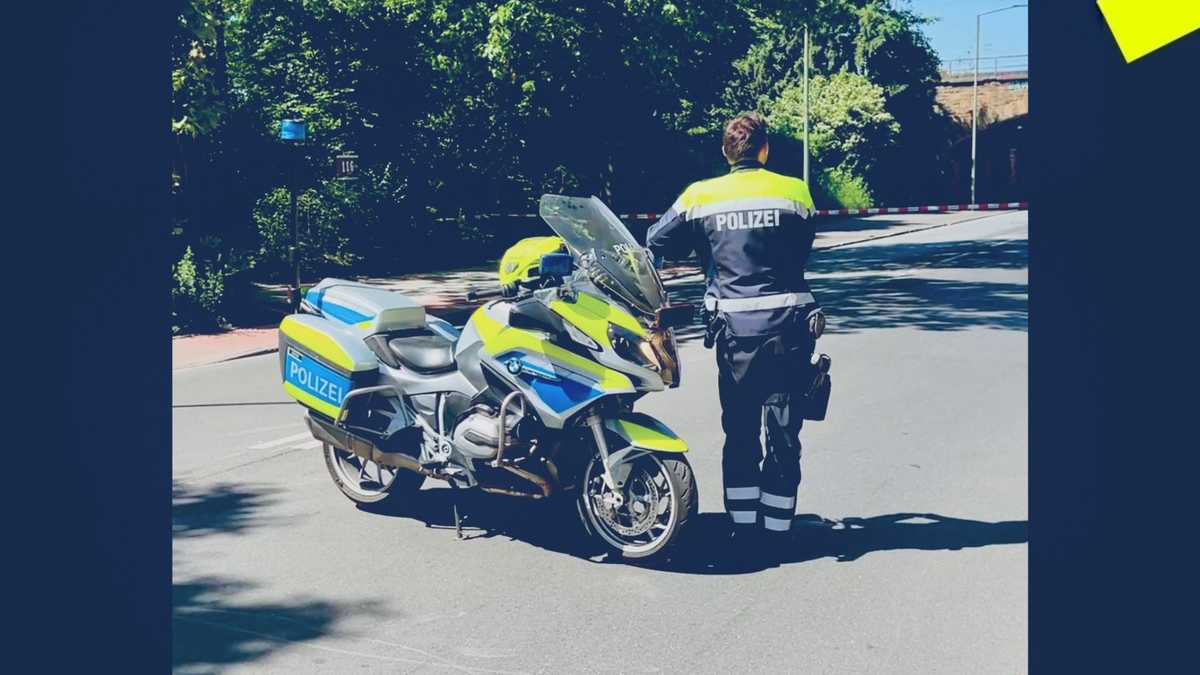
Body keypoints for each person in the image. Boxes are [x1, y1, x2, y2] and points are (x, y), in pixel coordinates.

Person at [646, 111, 828, 557]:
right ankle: (779, 529)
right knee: (784, 431)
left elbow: (654, 240)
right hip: (789, 329)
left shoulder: (699, 196)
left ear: (726, 153)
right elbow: (803, 248)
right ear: (764, 149)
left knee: (741, 431)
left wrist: (705, 254)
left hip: (733, 334)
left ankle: (743, 530)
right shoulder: (795, 191)